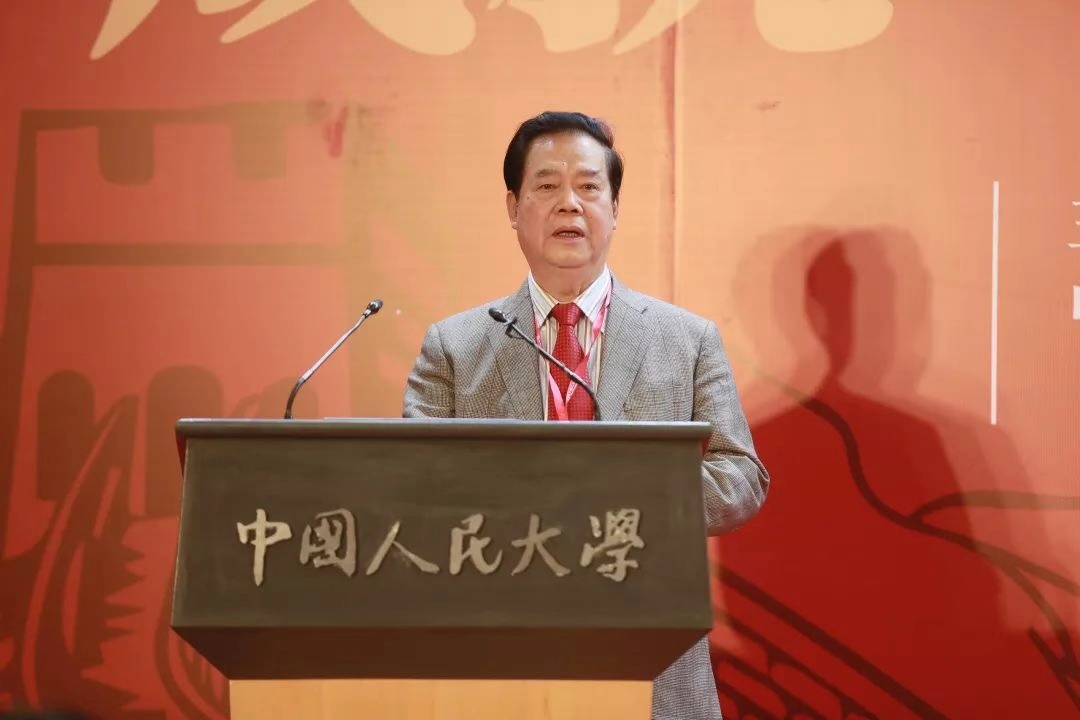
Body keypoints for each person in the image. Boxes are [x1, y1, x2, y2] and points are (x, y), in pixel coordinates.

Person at [403, 110, 769, 720]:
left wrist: (626, 496)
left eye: (589, 186)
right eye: (547, 185)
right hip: (499, 652)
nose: (569, 203)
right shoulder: (455, 346)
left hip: (652, 654)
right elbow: (415, 488)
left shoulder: (686, 339)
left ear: (615, 207)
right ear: (513, 207)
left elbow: (742, 479)